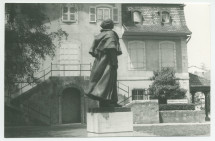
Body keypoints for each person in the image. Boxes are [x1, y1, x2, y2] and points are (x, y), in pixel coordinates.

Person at [86, 19, 122, 107]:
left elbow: (95, 50)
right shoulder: (110, 34)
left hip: (99, 62)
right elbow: (111, 48)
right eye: (112, 23)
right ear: (110, 25)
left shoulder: (100, 35)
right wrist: (114, 62)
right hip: (108, 62)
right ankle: (110, 101)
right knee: (109, 81)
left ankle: (108, 101)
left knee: (101, 80)